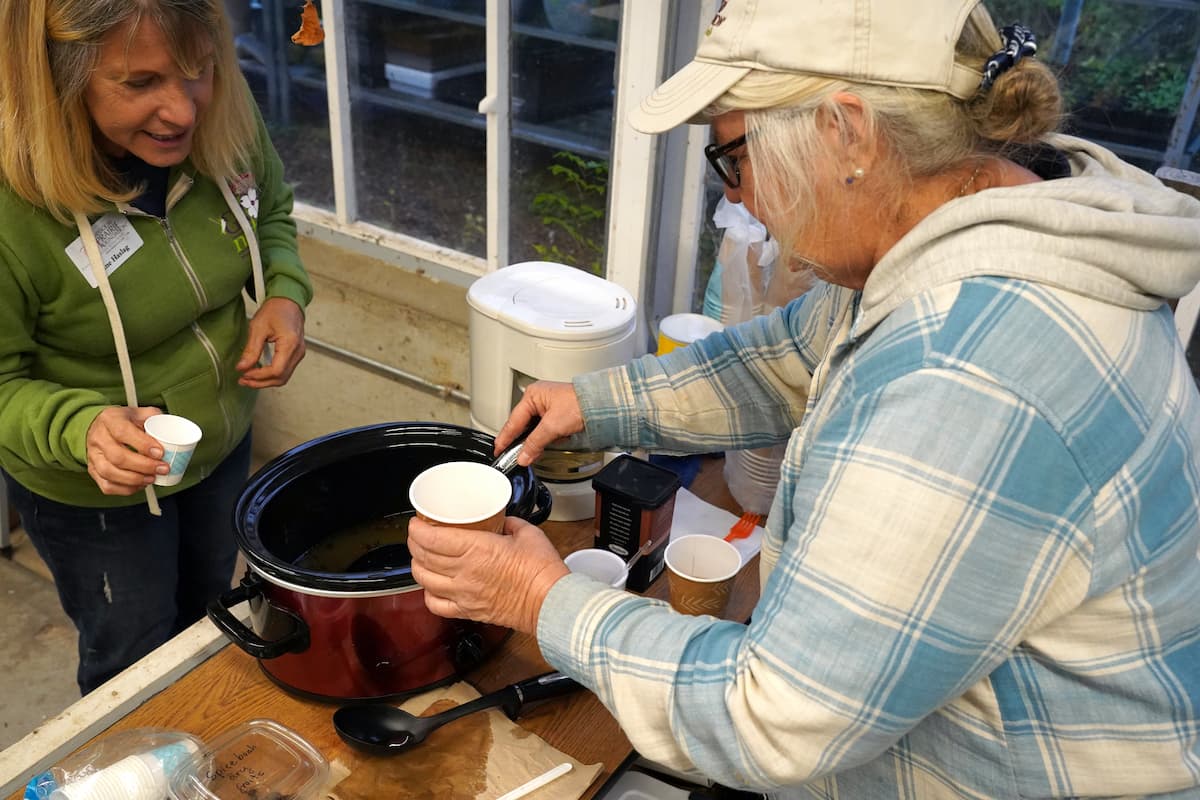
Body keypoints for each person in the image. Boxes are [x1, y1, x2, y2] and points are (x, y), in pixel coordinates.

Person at [407, 0, 1200, 796]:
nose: (740, 199)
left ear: (846, 133)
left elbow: (775, 715)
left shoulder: (968, 374)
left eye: (734, 160)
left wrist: (537, 597)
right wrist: (596, 401)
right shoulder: (966, 223)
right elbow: (782, 358)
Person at [0, 0, 312, 695]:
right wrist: (81, 430)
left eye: (198, 71)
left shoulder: (219, 111)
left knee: (207, 610)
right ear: (58, 80)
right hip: (94, 486)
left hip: (218, 438)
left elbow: (274, 208)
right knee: (133, 657)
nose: (183, 112)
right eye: (140, 85)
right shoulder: (10, 207)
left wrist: (285, 292)